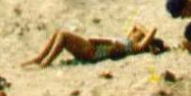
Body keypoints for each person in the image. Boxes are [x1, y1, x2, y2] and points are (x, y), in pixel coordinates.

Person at [24, 24, 166, 67]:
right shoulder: (128, 39)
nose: (135, 33)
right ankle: (40, 57)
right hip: (95, 48)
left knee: (63, 35)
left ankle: (45, 61)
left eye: (138, 34)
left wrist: (150, 39)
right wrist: (141, 32)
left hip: (95, 52)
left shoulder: (136, 46)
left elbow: (153, 29)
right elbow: (136, 25)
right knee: (58, 32)